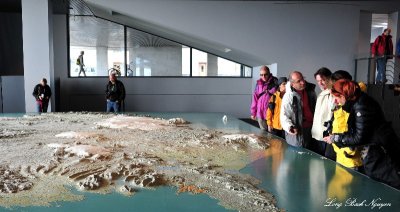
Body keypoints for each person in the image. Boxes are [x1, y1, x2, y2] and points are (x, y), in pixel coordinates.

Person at [323, 79, 400, 189]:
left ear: (344, 95)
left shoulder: (361, 106)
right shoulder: (359, 101)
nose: (336, 102)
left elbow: (359, 138)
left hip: (381, 153)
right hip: (376, 150)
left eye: (337, 98)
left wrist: (336, 138)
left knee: (386, 187)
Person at [280, 71, 317, 149]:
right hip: (298, 132)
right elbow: (284, 116)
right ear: (292, 84)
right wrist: (290, 127)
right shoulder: (288, 96)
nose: (303, 82)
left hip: (313, 130)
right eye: (299, 81)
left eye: (302, 78)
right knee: (298, 154)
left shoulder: (311, 91)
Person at [311, 67, 335, 158]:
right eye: (318, 81)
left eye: (323, 80)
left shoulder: (332, 94)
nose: (320, 83)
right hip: (317, 133)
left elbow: (332, 115)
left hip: (326, 134)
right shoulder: (322, 93)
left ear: (330, 78)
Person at [250, 65, 278, 130]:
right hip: (260, 113)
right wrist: (253, 112)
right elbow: (255, 98)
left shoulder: (275, 82)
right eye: (261, 75)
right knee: (263, 134)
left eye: (265, 74)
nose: (263, 76)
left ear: (269, 73)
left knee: (272, 134)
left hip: (271, 113)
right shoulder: (258, 84)